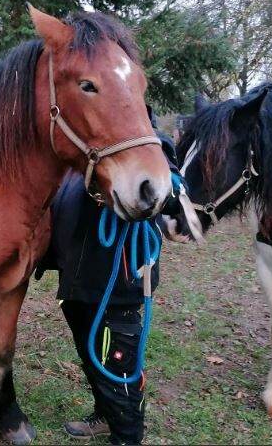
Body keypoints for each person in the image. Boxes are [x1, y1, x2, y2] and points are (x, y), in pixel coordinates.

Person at [35, 106, 186, 445]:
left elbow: (173, 189)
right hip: (76, 277)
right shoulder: (85, 143)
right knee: (91, 354)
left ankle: (128, 435)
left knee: (119, 364)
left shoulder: (149, 142)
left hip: (119, 281)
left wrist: (153, 186)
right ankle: (106, 414)